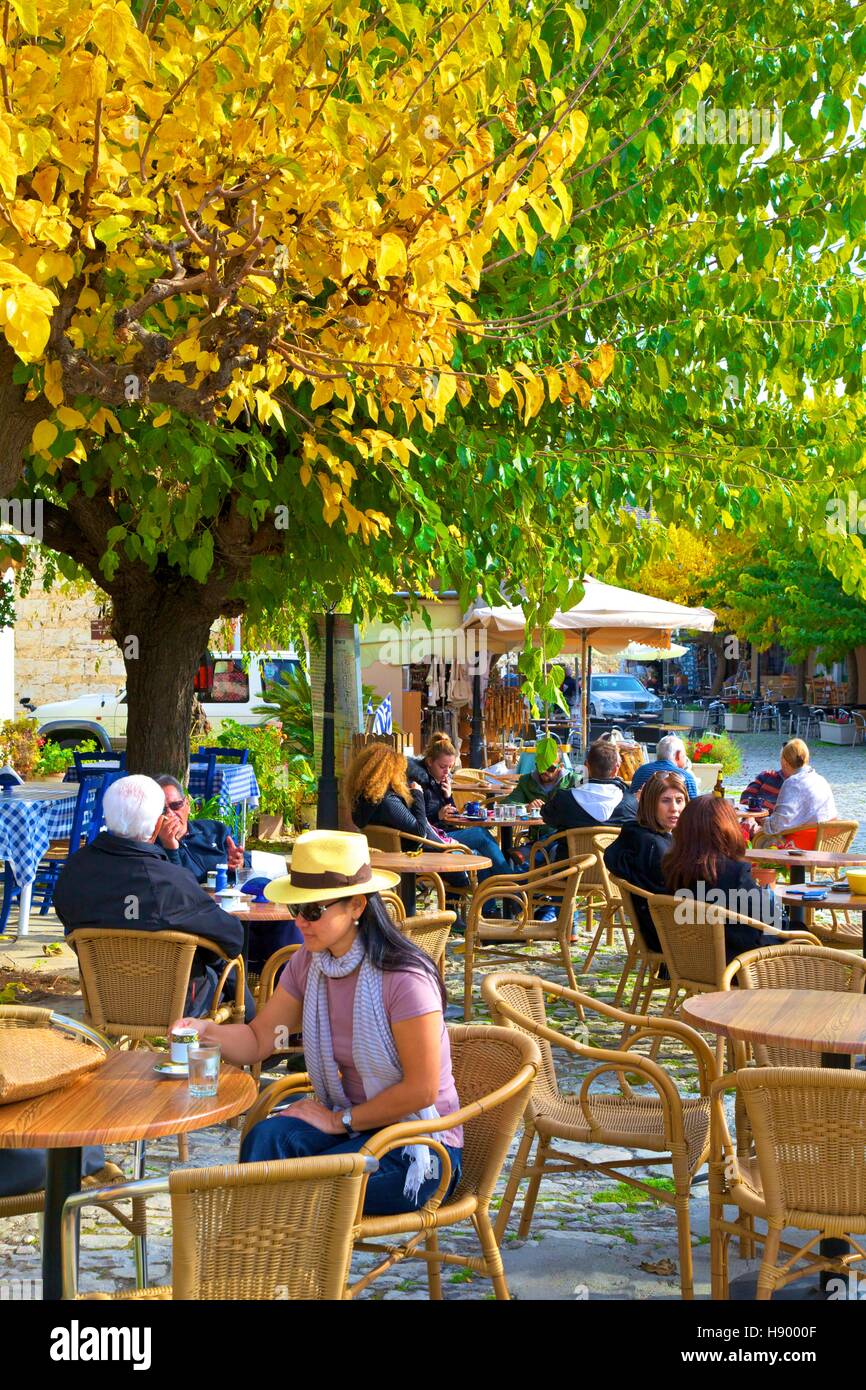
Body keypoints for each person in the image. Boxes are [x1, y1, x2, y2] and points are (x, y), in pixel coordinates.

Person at [173, 831, 463, 1217]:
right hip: (352, 1125)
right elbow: (260, 1040)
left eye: (313, 911)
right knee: (265, 1140)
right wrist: (205, 1031)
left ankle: (284, 1268)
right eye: (296, 910)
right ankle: (251, 1266)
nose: (301, 922)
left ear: (357, 905)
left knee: (305, 1186)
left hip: (419, 1146)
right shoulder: (311, 964)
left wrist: (336, 1119)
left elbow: (421, 1090)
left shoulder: (404, 978)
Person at [54, 774, 253, 1019]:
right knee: (228, 968)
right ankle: (254, 1043)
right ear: (157, 826)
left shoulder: (73, 872)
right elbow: (232, 937)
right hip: (175, 1003)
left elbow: (68, 921)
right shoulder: (170, 882)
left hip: (104, 998)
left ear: (108, 817)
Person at [662, 796, 783, 963]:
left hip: (687, 960)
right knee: (798, 931)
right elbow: (767, 917)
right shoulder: (734, 872)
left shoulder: (670, 867)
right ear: (726, 827)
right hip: (739, 965)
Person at [407, 733, 522, 882]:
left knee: (482, 851)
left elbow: (451, 814)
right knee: (481, 835)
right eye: (442, 767)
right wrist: (438, 816)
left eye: (450, 767)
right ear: (429, 762)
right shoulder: (419, 783)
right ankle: (512, 883)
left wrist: (448, 796)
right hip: (432, 842)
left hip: (445, 834)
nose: (447, 772)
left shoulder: (438, 781)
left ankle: (491, 903)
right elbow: (417, 822)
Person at [604, 771, 688, 951]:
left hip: (659, 927)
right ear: (650, 804)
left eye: (679, 800)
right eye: (665, 801)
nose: (674, 808)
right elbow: (676, 893)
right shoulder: (654, 846)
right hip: (671, 936)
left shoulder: (641, 834)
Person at [155, 775, 250, 885]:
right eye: (161, 809)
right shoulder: (152, 846)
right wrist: (170, 849)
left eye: (176, 805)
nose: (170, 814)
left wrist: (241, 863)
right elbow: (176, 887)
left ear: (187, 804)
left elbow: (249, 862)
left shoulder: (215, 830)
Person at [347, 743, 444, 848]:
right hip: (419, 854)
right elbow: (420, 831)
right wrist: (418, 794)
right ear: (389, 773)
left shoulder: (362, 799)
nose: (402, 776)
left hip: (386, 856)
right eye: (399, 772)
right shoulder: (388, 801)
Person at [745, 739, 837, 840]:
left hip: (803, 844)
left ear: (784, 762)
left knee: (747, 836)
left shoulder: (793, 782)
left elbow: (777, 825)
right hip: (826, 841)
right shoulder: (820, 779)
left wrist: (760, 823)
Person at [542, 739, 639, 835]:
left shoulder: (564, 798)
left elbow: (548, 818)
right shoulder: (630, 802)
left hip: (570, 850)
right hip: (614, 850)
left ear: (586, 766)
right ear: (615, 769)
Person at [629, 735, 698, 800]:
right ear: (678, 755)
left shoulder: (641, 771)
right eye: (684, 755)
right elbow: (693, 809)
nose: (685, 758)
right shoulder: (686, 777)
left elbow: (631, 799)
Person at [503, 748, 576, 810]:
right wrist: (527, 807)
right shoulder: (526, 781)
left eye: (550, 768)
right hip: (537, 826)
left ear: (561, 766)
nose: (544, 771)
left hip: (565, 826)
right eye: (540, 766)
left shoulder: (573, 780)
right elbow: (506, 804)